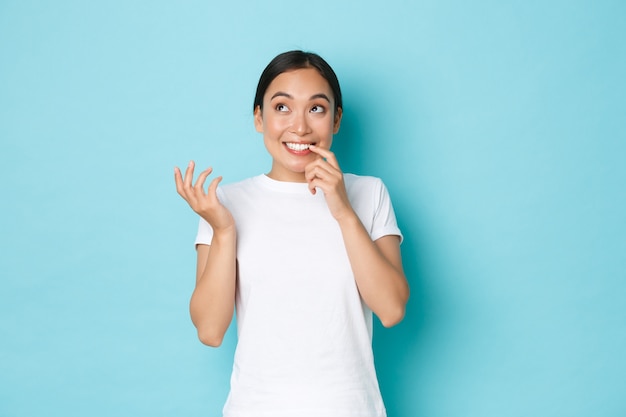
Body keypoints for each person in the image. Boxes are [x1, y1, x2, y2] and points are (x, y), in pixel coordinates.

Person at [174, 50, 409, 417]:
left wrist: (343, 211)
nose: (299, 127)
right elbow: (210, 330)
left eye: (316, 108)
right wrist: (223, 231)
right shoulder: (225, 203)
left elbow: (392, 309)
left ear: (336, 120)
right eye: (282, 107)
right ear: (259, 118)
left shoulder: (369, 193)